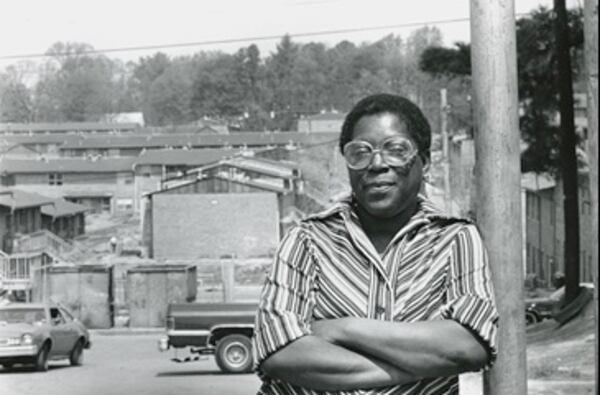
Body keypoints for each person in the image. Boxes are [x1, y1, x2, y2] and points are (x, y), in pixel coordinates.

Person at [252, 93, 498, 395]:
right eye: (361, 152)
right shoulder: (306, 241)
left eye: (396, 150)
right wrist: (418, 364)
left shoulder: (456, 240)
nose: (377, 164)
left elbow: (469, 346)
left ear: (425, 161)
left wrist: (342, 328)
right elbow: (280, 352)